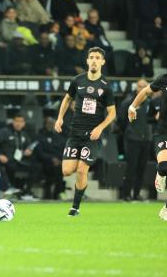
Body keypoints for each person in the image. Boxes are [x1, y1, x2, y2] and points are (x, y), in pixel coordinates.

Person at [55, 47, 116, 216]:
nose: (94, 60)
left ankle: (75, 207)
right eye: (91, 57)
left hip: (92, 136)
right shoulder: (77, 81)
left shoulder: (106, 87)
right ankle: (80, 182)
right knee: (67, 171)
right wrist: (60, 118)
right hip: (75, 133)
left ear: (102, 62)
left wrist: (100, 128)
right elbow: (67, 99)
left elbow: (113, 113)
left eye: (98, 57)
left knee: (82, 170)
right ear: (87, 61)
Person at [128, 51, 167, 221]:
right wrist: (133, 107)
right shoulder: (166, 79)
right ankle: (160, 174)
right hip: (165, 133)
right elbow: (146, 91)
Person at [118, 79, 151, 201]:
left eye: (144, 86)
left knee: (142, 168)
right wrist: (128, 131)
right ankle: (126, 194)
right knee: (131, 167)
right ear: (136, 87)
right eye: (139, 86)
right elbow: (121, 120)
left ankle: (136, 194)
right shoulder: (128, 103)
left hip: (146, 139)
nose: (141, 88)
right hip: (132, 139)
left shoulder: (150, 103)